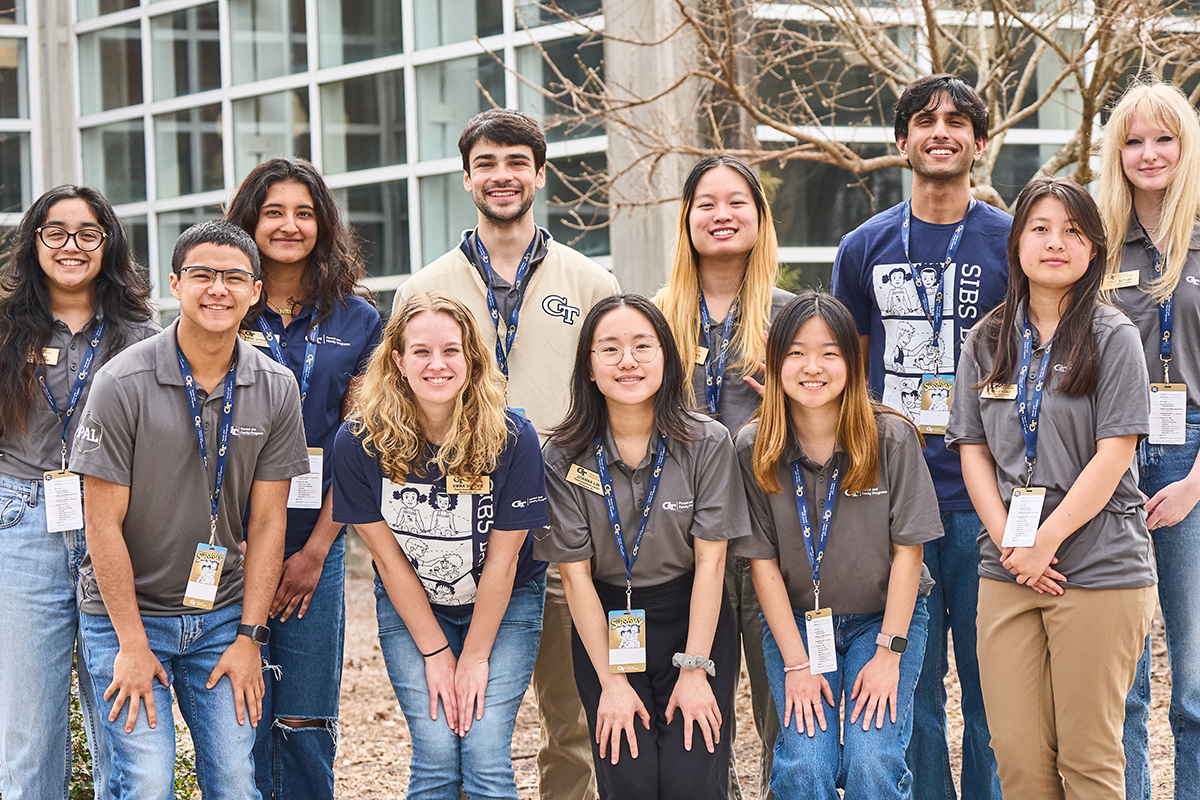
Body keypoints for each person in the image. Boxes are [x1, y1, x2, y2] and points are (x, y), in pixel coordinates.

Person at [395, 107, 619, 800]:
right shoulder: (422, 290)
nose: (502, 176)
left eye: (517, 162)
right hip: (452, 535)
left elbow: (617, 400)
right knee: (453, 721)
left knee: (571, 716)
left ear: (540, 174)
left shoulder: (591, 284)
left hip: (564, 525)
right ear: (466, 177)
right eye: (487, 163)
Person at [72, 220, 309, 798]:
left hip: (223, 617)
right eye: (202, 275)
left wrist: (250, 637)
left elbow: (269, 522)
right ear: (174, 285)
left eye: (233, 277)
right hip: (127, 619)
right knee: (147, 783)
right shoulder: (121, 382)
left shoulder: (275, 387)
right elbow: (100, 524)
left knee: (234, 781)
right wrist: (130, 641)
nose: (217, 289)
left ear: (255, 291)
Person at [947, 176, 1158, 798]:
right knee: (1016, 759)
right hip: (1007, 570)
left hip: (1097, 566)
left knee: (1089, 760)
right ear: (1016, 244)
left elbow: (1115, 453)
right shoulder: (987, 339)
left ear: (1094, 249)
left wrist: (1047, 540)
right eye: (1039, 228)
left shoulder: (1112, 335)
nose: (1055, 242)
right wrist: (1013, 546)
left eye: (1072, 231)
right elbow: (973, 452)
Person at [831, 72, 1009, 800]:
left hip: (985, 498)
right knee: (915, 693)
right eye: (925, 121)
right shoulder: (862, 246)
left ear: (980, 143)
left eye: (957, 121)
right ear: (900, 142)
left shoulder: (1011, 241)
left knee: (993, 687)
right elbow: (844, 363)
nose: (941, 131)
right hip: (896, 505)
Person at [331, 291, 550, 799]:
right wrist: (434, 652)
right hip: (413, 605)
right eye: (421, 351)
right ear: (398, 361)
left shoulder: (512, 436)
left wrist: (473, 657)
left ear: (472, 359)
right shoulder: (358, 442)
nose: (437, 364)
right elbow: (387, 561)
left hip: (505, 600)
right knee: (434, 753)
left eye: (451, 350)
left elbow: (503, 561)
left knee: (485, 751)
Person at [535, 293, 749, 800]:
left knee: (689, 783)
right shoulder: (562, 455)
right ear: (588, 366)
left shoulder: (708, 442)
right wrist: (611, 682)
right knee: (628, 783)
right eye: (609, 349)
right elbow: (575, 577)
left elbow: (712, 563)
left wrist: (695, 669)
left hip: (692, 616)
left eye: (641, 346)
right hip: (605, 625)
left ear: (666, 359)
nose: (627, 361)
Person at [733, 291, 940, 799]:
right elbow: (761, 565)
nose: (813, 367)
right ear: (776, 361)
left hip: (883, 621)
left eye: (830, 353)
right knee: (805, 764)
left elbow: (909, 554)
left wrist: (890, 653)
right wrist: (797, 665)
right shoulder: (754, 447)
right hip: (800, 626)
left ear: (853, 361)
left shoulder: (891, 437)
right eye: (797, 352)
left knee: (874, 760)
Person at [225, 157, 383, 799]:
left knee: (305, 717)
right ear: (248, 221)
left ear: (323, 224)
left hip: (312, 542)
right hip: (228, 545)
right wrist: (229, 543)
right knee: (239, 716)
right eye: (273, 212)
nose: (289, 226)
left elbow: (362, 444)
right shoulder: (224, 301)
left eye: (304, 213)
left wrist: (318, 551)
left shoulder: (358, 320)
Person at [0, 184, 158, 800]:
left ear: (108, 243)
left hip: (118, 526)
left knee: (124, 716)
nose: (71, 246)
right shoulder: (5, 325)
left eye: (87, 233)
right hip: (22, 521)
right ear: (34, 243)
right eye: (55, 232)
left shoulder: (143, 335)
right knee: (28, 733)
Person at [655, 153, 792, 799]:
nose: (721, 215)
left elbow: (842, 430)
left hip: (774, 540)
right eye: (706, 203)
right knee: (698, 714)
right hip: (686, 548)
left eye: (737, 201)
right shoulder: (655, 321)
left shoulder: (792, 319)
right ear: (686, 219)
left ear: (760, 218)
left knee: (787, 715)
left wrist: (789, 410)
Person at [1098, 79, 1200, 800]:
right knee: (1123, 679)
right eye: (1133, 140)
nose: (1149, 153)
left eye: (1164, 138)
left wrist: (1195, 484)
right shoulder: (1096, 239)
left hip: (1194, 458)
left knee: (1194, 683)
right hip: (1114, 456)